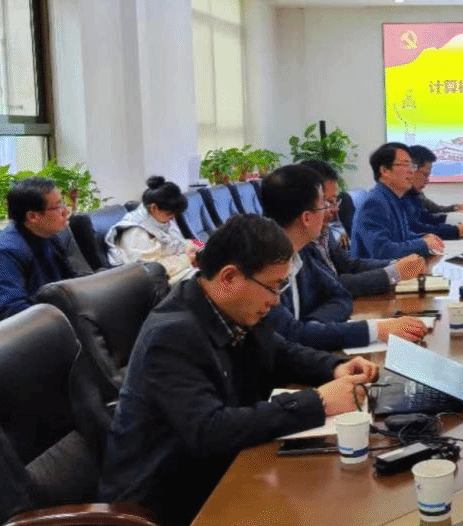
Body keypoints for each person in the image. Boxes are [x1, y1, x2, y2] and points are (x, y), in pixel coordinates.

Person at [98, 214, 379, 526]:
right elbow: (211, 430)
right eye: (273, 287)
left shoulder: (233, 309)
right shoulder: (172, 335)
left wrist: (336, 367)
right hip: (169, 504)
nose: (276, 301)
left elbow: (282, 353)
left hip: (220, 474)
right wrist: (319, 402)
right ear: (229, 277)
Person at [260, 164, 425, 350]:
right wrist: (377, 330)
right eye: (324, 204)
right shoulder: (264, 267)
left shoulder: (301, 253)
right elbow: (292, 336)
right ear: (306, 218)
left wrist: (315, 328)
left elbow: (340, 293)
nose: (331, 211)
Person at [297, 158, 426, 296]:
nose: (335, 210)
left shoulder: (323, 230)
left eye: (335, 201)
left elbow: (349, 265)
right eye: (328, 202)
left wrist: (397, 264)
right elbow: (330, 286)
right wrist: (395, 272)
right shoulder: (299, 241)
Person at [0, 176, 78, 327]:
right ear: (32, 216)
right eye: (58, 206)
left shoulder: (50, 236)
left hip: (48, 317)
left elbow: (71, 282)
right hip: (12, 332)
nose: (65, 211)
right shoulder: (4, 253)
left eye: (63, 203)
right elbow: (14, 311)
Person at [350, 142, 445, 262]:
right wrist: (423, 243)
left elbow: (401, 236)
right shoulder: (375, 203)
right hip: (377, 272)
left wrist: (424, 237)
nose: (411, 171)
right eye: (405, 165)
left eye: (412, 165)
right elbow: (382, 251)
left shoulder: (393, 198)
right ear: (385, 170)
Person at [106, 176, 195, 279]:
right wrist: (186, 259)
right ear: (154, 208)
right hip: (152, 280)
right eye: (170, 214)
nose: (173, 218)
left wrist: (196, 248)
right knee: (203, 279)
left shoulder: (162, 218)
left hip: (175, 268)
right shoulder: (135, 232)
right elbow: (152, 271)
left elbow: (178, 242)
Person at [405, 145, 463, 240]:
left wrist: (455, 220)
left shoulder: (413, 194)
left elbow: (426, 217)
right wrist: (455, 231)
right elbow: (416, 228)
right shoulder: (396, 197)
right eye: (425, 174)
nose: (427, 180)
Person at [405, 145, 463, 214]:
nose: (427, 181)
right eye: (425, 175)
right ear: (411, 170)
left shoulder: (415, 194)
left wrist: (454, 207)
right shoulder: (399, 201)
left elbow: (432, 208)